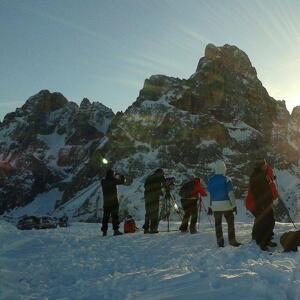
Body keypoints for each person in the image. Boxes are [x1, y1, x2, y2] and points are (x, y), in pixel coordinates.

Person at [207, 160, 241, 247]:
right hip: (226, 206)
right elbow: (230, 194)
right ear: (223, 168)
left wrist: (209, 207)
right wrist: (234, 206)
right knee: (230, 223)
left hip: (215, 206)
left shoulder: (211, 180)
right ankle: (232, 241)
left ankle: (220, 242)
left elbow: (209, 195)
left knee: (218, 224)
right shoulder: (226, 179)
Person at [249, 159, 277, 251]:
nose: (266, 166)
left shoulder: (260, 174)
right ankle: (262, 242)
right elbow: (257, 192)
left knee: (268, 221)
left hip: (265, 203)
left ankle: (266, 240)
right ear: (260, 166)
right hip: (262, 204)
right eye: (264, 165)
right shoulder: (258, 176)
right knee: (266, 222)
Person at [101, 169, 126, 236]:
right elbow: (123, 181)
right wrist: (121, 175)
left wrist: (114, 176)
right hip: (114, 202)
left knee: (105, 217)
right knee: (115, 217)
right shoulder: (113, 181)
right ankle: (116, 231)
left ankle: (104, 232)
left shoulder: (103, 181)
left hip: (106, 203)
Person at [143, 168, 166, 234]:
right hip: (153, 198)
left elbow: (146, 186)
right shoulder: (157, 178)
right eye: (162, 174)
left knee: (148, 213)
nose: (162, 175)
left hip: (148, 197)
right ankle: (153, 229)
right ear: (159, 173)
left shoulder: (150, 177)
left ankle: (146, 229)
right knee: (155, 213)